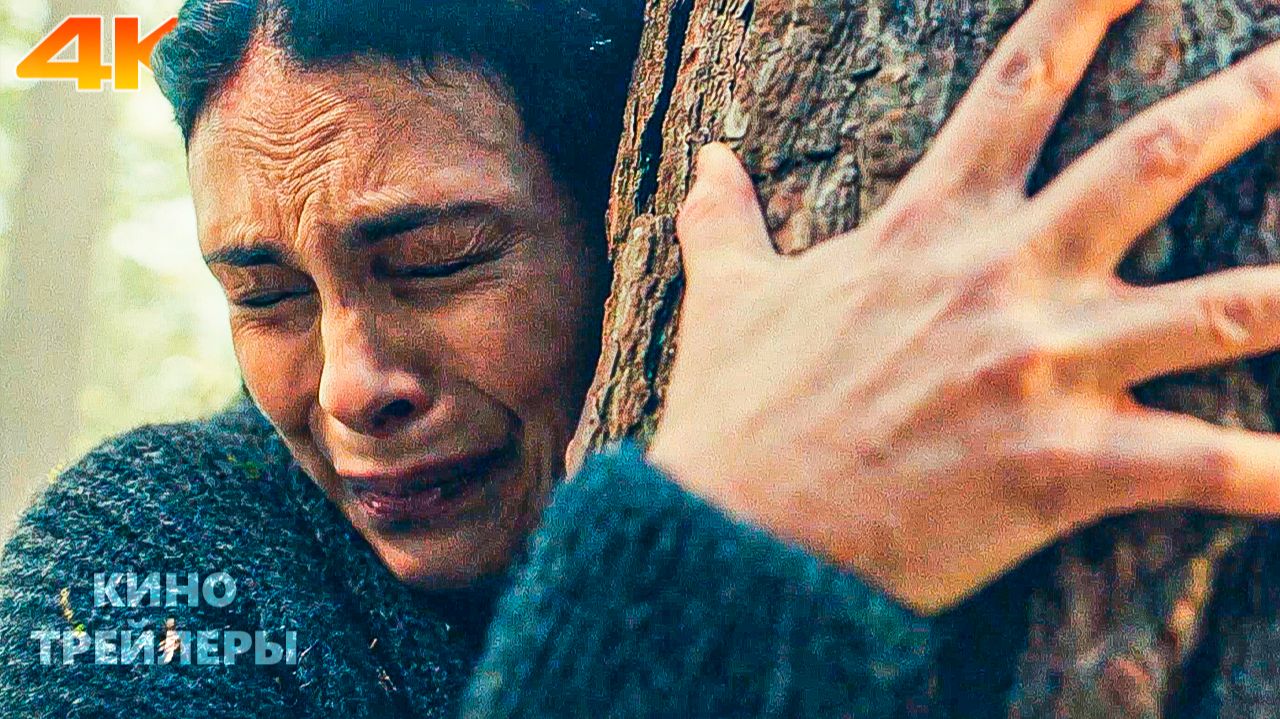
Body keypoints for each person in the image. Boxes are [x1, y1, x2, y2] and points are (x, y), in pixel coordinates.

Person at [4, 0, 1280, 715]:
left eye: (439, 259)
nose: (347, 386)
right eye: (267, 296)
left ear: (627, 212)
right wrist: (740, 545)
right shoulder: (144, 555)